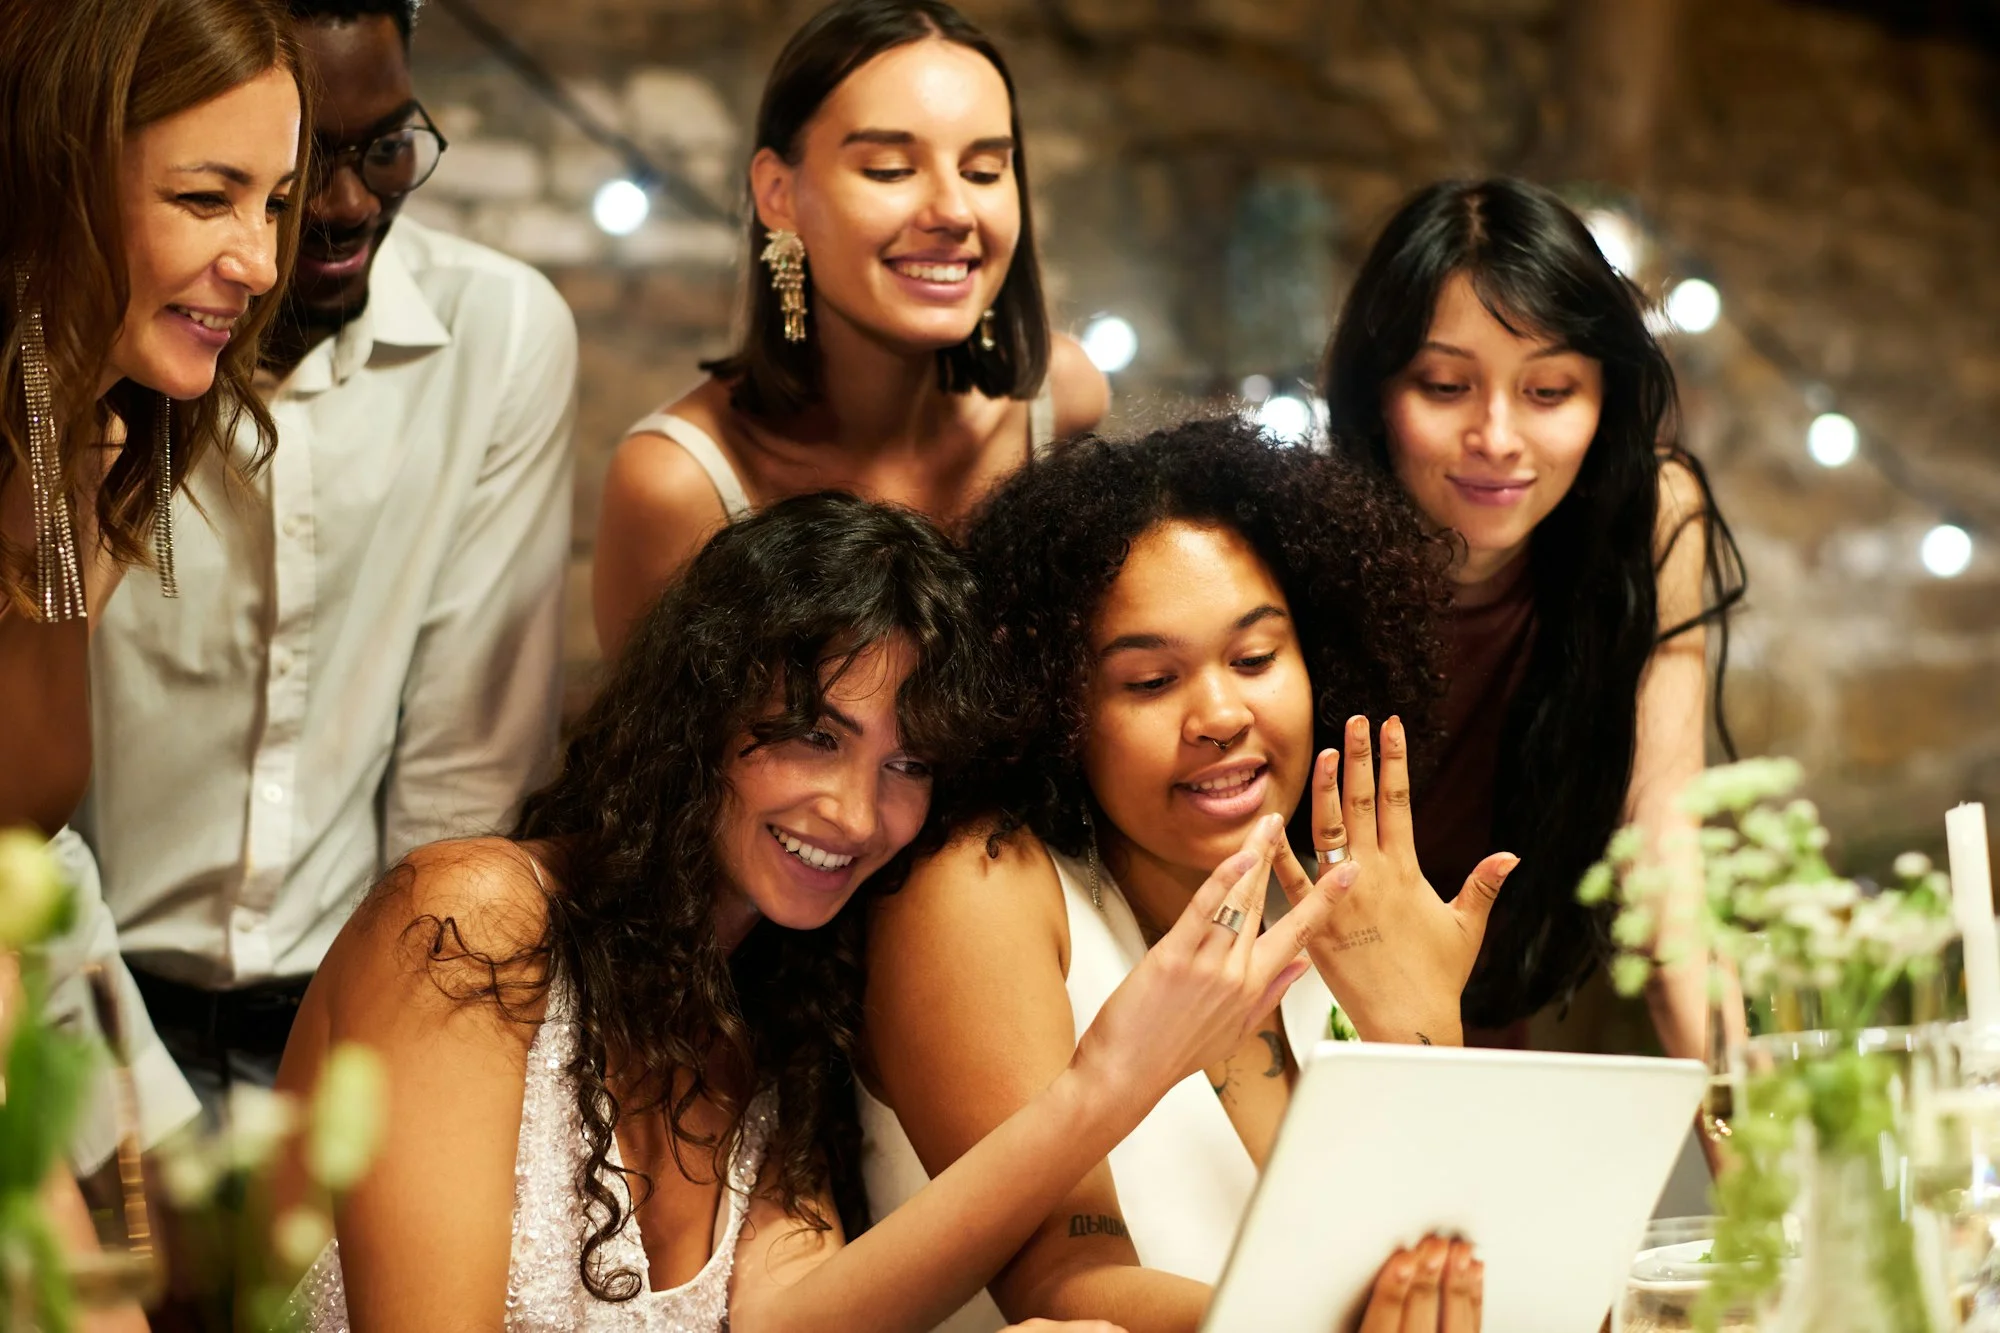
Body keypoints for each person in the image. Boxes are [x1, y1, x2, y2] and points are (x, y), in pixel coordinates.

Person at [276, 493, 1351, 1333]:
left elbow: (801, 1318)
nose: (853, 811)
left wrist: (1099, 1093)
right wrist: (1104, 1085)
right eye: (814, 734)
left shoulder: (772, 1018)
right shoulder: (473, 918)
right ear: (701, 707)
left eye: (906, 763)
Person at [862, 421, 1500, 1332]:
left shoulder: (1335, 901)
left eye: (1254, 658)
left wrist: (1426, 1033)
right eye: (1151, 681)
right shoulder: (984, 885)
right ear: (1058, 701)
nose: (1219, 715)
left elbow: (1446, 1275)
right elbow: (1062, 1284)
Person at [73, 0, 577, 1118]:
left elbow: (460, 785)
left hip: (355, 1025)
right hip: (83, 1017)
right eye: (294, 166)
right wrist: (135, 1121)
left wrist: (374, 1093)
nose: (343, 206)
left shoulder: (498, 335)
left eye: (386, 147)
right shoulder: (97, 377)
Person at [1, 0, 307, 1321]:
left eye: (274, 202)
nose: (256, 260)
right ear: (49, 180)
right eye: (206, 196)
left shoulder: (93, 449)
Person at [1318, 178, 1745, 1053]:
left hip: (1485, 1032)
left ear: (1604, 397)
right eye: (1445, 386)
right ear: (1378, 395)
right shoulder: (1299, 549)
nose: (1499, 436)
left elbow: (1664, 848)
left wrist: (1747, 1129)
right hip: (1294, 1034)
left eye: (1549, 391)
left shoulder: (1653, 519)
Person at [592, 0, 1109, 658]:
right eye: (890, 168)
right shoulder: (677, 483)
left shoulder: (1063, 401)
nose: (953, 210)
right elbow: (645, 759)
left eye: (984, 171)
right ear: (779, 193)